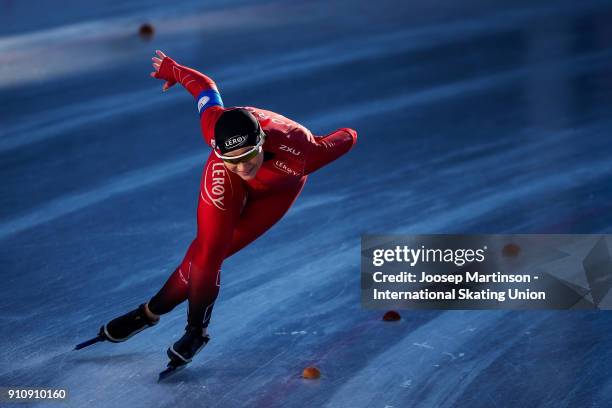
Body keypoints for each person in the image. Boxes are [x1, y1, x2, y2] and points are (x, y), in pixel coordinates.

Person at [99, 50, 358, 367]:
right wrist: (175, 70)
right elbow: (205, 88)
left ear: (262, 143)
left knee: (208, 256)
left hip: (277, 191)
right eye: (232, 159)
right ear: (218, 149)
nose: (242, 167)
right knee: (207, 252)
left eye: (249, 156)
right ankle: (189, 329)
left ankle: (152, 313)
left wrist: (339, 136)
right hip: (228, 183)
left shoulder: (304, 151)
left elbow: (348, 137)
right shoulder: (214, 128)